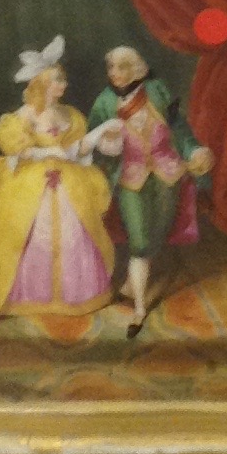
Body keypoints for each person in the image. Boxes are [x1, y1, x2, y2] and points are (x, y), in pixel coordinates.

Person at [0, 37, 114, 321]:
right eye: (58, 80)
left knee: (74, 236)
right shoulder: (22, 116)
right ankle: (24, 296)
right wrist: (48, 151)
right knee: (23, 234)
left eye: (63, 80)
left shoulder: (69, 114)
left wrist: (100, 137)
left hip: (68, 181)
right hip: (30, 185)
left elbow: (79, 148)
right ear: (42, 82)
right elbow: (18, 152)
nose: (64, 85)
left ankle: (73, 295)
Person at [87, 44, 214, 334]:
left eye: (122, 68)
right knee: (140, 243)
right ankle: (140, 309)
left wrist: (194, 150)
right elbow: (95, 146)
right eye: (111, 68)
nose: (115, 74)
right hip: (131, 179)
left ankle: (133, 283)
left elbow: (179, 128)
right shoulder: (105, 102)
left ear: (136, 69)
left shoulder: (157, 90)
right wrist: (107, 144)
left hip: (169, 174)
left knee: (158, 235)